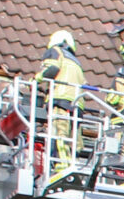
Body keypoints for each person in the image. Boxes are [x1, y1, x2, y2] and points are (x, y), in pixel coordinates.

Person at [33, 30, 86, 180]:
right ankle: (72, 164)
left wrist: (37, 79)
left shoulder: (54, 51)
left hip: (60, 100)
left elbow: (52, 69)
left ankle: (62, 166)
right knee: (73, 139)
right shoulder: (77, 62)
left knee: (59, 135)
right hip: (77, 105)